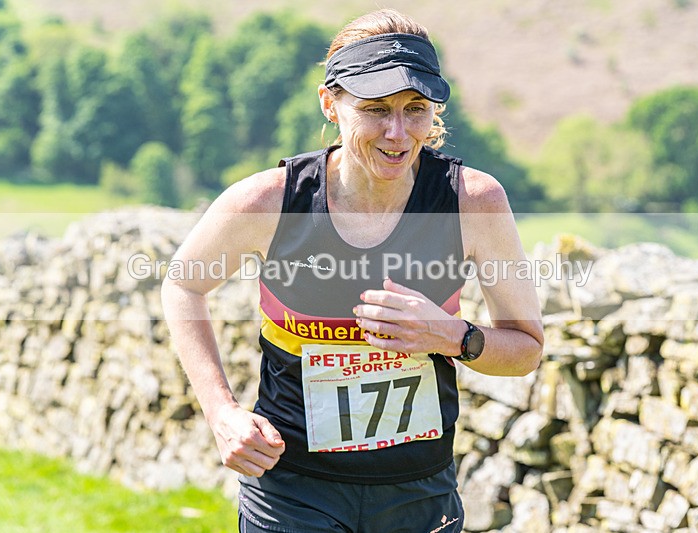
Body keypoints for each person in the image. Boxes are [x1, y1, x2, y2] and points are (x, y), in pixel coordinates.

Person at [161, 9, 543, 533]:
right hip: (292, 488)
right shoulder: (271, 201)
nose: (398, 132)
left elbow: (525, 350)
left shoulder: (472, 202)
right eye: (375, 109)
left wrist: (453, 336)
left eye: (416, 109)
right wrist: (221, 412)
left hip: (419, 492)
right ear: (330, 103)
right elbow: (183, 284)